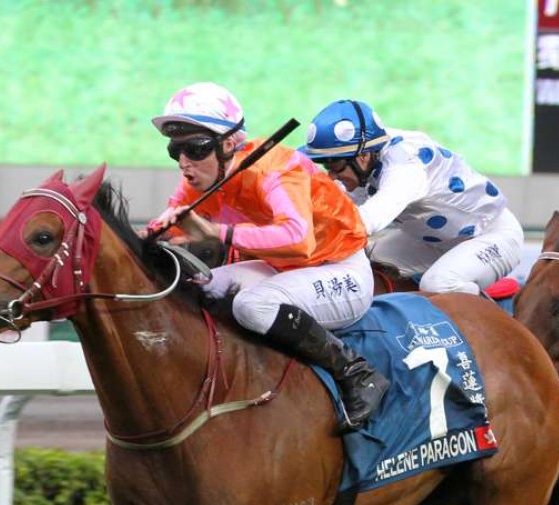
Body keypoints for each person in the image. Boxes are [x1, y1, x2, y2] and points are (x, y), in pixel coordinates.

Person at [149, 82, 388, 433]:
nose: (185, 162)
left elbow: (298, 240)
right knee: (201, 287)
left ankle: (356, 373)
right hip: (285, 272)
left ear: (228, 144)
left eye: (195, 149)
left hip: (341, 273)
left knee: (251, 306)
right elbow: (161, 228)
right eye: (176, 151)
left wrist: (219, 234)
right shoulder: (200, 176)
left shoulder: (276, 169)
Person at [300, 99, 524, 295]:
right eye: (325, 165)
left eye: (335, 165)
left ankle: (491, 320)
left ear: (364, 155)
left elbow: (367, 221)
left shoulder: (405, 164)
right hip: (430, 240)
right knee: (363, 263)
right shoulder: (365, 157)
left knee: (438, 284)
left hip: (492, 236)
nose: (331, 175)